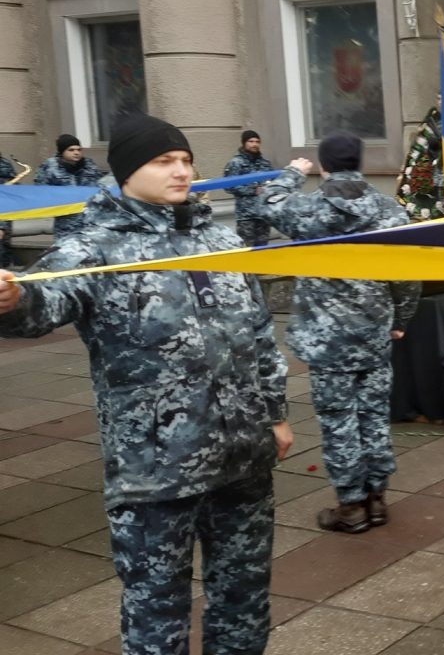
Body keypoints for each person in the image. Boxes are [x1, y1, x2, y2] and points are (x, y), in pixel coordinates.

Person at [0, 114, 292, 654]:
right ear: (128, 171)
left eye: (184, 160)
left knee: (244, 600)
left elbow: (257, 332)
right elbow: (44, 304)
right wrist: (15, 300)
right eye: (163, 161)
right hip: (156, 470)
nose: (180, 171)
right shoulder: (95, 247)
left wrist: (275, 413)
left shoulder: (218, 238)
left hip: (242, 457)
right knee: (157, 609)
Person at [259, 132, 420, 533]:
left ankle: (351, 507)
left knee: (338, 421)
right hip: (373, 333)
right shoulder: (390, 211)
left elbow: (268, 203)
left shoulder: (308, 210)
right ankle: (377, 498)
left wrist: (293, 174)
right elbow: (408, 275)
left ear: (324, 165)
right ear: (360, 162)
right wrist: (400, 319)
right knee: (374, 416)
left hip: (327, 339)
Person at [36, 134, 106, 237]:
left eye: (79, 149)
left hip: (90, 222)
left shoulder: (89, 165)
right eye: (71, 150)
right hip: (66, 224)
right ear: (62, 152)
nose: (76, 153)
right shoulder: (50, 167)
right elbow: (40, 191)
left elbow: (101, 187)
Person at [223, 129, 275, 246]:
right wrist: (252, 190)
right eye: (251, 141)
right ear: (244, 143)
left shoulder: (265, 163)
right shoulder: (236, 163)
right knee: (247, 249)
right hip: (246, 216)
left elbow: (273, 182)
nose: (254, 144)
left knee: (263, 250)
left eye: (257, 141)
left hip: (263, 214)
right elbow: (228, 186)